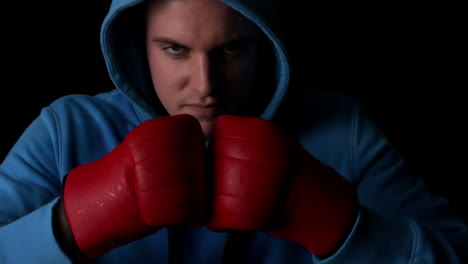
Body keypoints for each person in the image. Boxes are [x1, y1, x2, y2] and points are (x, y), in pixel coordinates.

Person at [0, 0, 467, 263]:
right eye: (175, 50)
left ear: (264, 44)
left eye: (230, 51)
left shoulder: (342, 131)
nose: (206, 86)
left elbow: (454, 254)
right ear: (136, 47)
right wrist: (68, 225)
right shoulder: (67, 129)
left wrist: (345, 229)